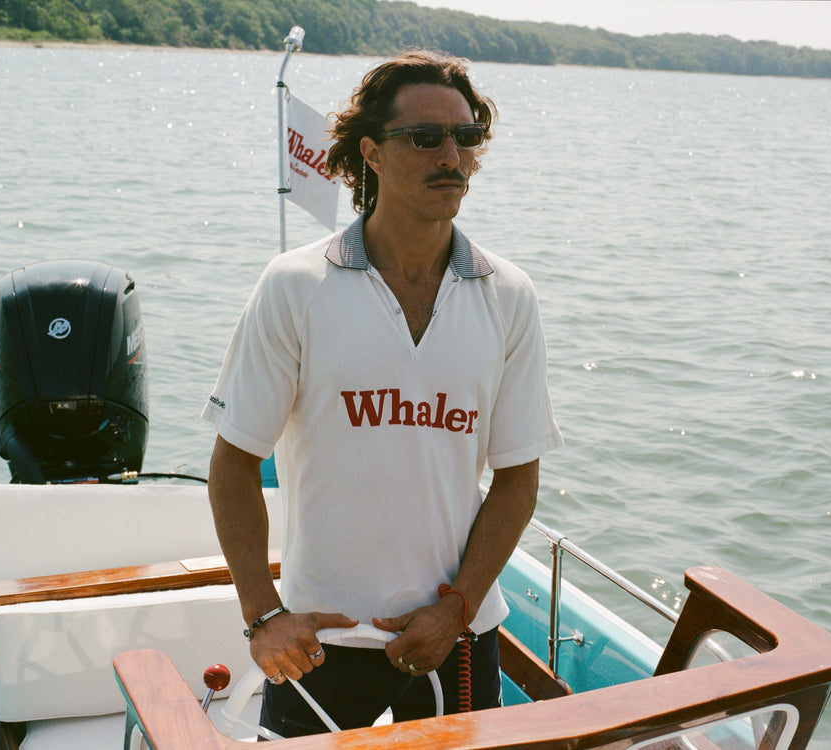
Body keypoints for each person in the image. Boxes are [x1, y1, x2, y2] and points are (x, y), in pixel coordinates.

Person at [202, 49, 563, 737]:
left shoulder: (508, 295)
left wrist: (455, 610)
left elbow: (517, 480)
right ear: (371, 151)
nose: (451, 156)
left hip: (455, 633)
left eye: (467, 137)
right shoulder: (296, 287)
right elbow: (235, 461)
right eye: (425, 138)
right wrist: (261, 616)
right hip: (321, 640)